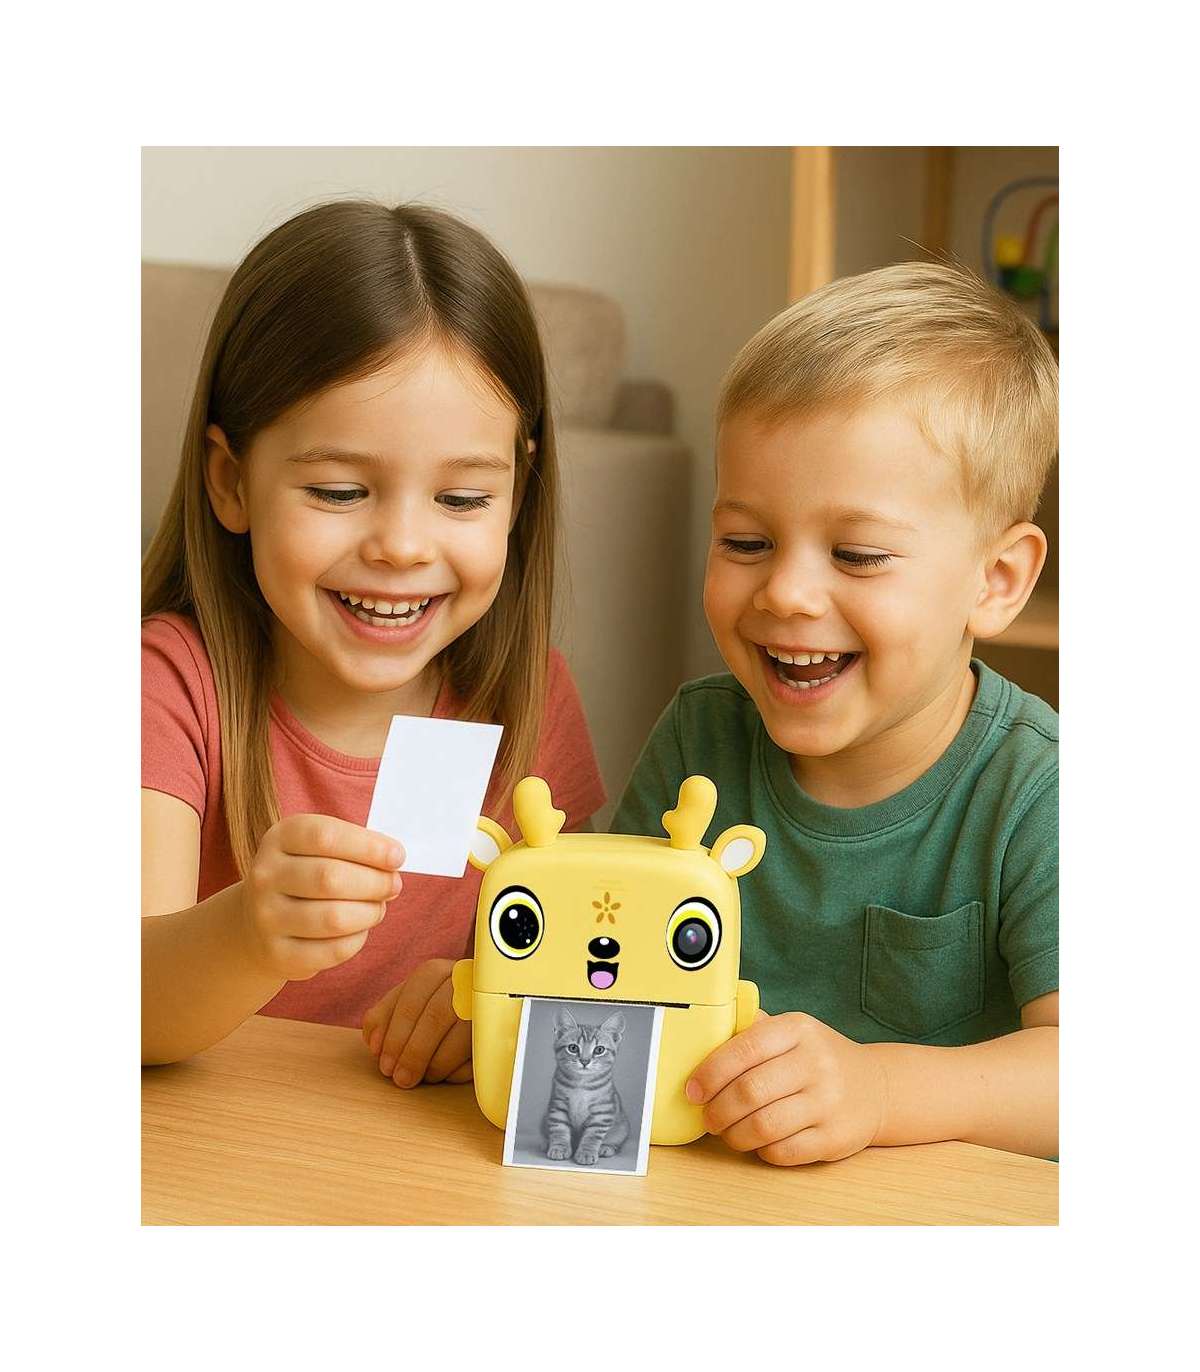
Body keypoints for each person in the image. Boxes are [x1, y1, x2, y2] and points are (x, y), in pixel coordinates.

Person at [142, 201, 605, 1085]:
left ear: (519, 493)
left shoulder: (527, 702)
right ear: (231, 482)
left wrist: (489, 1005)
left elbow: (585, 971)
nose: (401, 546)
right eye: (339, 492)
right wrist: (246, 934)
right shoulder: (168, 686)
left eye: (461, 500)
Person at [613, 262, 1058, 1163]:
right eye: (746, 542)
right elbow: (604, 957)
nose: (785, 592)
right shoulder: (699, 739)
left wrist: (882, 1090)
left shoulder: (1038, 792)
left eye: (856, 554)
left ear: (996, 580)